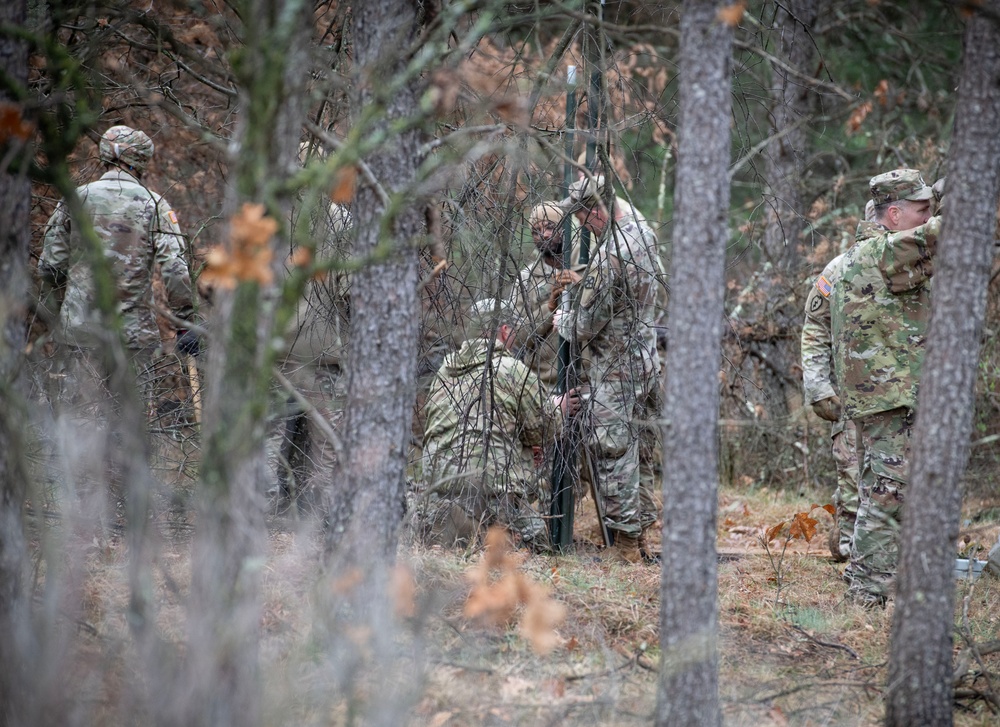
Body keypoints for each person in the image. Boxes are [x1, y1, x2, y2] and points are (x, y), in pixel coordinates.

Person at [37, 124, 196, 532]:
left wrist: (59, 313)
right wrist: (185, 318)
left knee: (83, 417)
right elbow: (176, 270)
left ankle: (80, 513)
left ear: (107, 154)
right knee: (128, 421)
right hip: (133, 334)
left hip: (80, 331)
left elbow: (50, 266)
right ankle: (130, 515)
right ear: (141, 161)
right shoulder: (155, 204)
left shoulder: (77, 198)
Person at [830, 168, 940, 607]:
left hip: (891, 393)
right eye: (921, 209)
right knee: (889, 493)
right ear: (893, 215)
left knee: (887, 489)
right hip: (888, 394)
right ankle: (867, 596)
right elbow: (949, 231)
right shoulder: (880, 253)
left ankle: (870, 581)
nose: (929, 216)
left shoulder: (880, 253)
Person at [413, 298, 580, 551]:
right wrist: (559, 409)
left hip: (439, 486)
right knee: (537, 549)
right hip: (492, 489)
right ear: (504, 331)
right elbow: (546, 430)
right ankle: (496, 533)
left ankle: (463, 530)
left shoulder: (446, 370)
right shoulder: (511, 369)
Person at [555, 175, 661, 563]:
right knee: (641, 454)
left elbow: (584, 325)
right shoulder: (641, 228)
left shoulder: (610, 255)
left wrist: (563, 314)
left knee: (613, 452)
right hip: (645, 360)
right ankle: (642, 533)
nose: (581, 225)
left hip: (614, 370)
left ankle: (626, 544)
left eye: (583, 216)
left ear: (597, 211)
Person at [800, 202, 874, 562]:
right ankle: (848, 550)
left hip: (908, 394)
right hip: (852, 394)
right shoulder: (841, 267)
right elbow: (815, 325)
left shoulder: (920, 266)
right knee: (851, 473)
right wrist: (818, 386)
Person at [271, 200, 353, 512]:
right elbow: (350, 288)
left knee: (273, 435)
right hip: (321, 354)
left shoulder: (268, 211)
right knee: (328, 444)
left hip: (272, 351)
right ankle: (325, 516)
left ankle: (268, 515)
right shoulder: (339, 221)